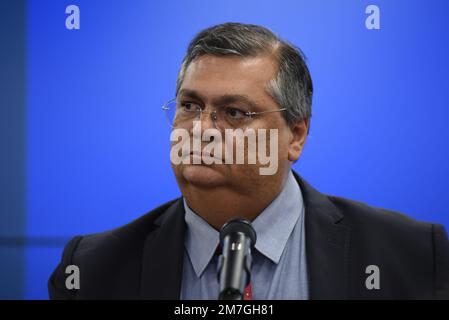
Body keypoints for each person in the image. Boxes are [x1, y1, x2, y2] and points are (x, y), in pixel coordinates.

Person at [48, 22, 449, 299]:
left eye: (234, 112)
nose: (202, 129)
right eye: (190, 106)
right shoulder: (91, 270)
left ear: (296, 135)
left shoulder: (410, 256)